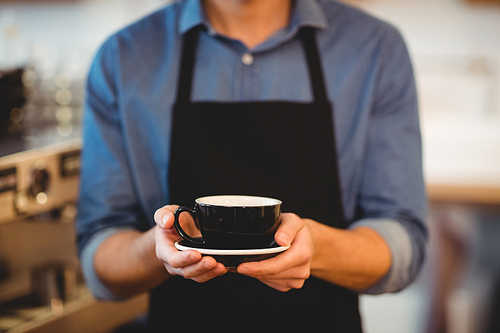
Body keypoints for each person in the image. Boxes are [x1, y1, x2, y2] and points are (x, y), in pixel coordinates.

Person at [77, 0, 428, 331]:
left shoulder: (376, 49)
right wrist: (160, 249)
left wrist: (317, 248)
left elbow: (403, 241)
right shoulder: (123, 57)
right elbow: (99, 257)